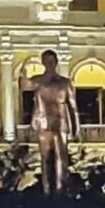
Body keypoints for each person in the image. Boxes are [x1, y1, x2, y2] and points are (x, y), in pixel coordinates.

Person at [26, 48, 80, 193]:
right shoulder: (37, 81)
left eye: (52, 61)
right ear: (43, 63)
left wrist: (76, 128)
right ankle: (47, 191)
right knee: (45, 158)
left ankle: (61, 190)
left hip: (61, 121)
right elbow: (22, 83)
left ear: (56, 63)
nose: (49, 64)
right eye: (46, 62)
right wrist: (26, 62)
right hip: (43, 121)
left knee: (61, 157)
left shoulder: (64, 83)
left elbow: (73, 106)